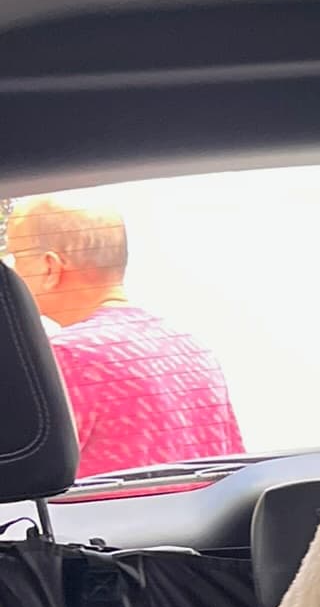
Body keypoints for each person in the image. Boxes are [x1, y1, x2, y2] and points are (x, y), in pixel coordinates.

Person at [3, 194, 244, 479]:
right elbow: (231, 469)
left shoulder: (65, 358)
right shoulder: (191, 349)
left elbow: (19, 478)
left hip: (99, 524)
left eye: (15, 258)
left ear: (50, 267)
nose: (12, 271)